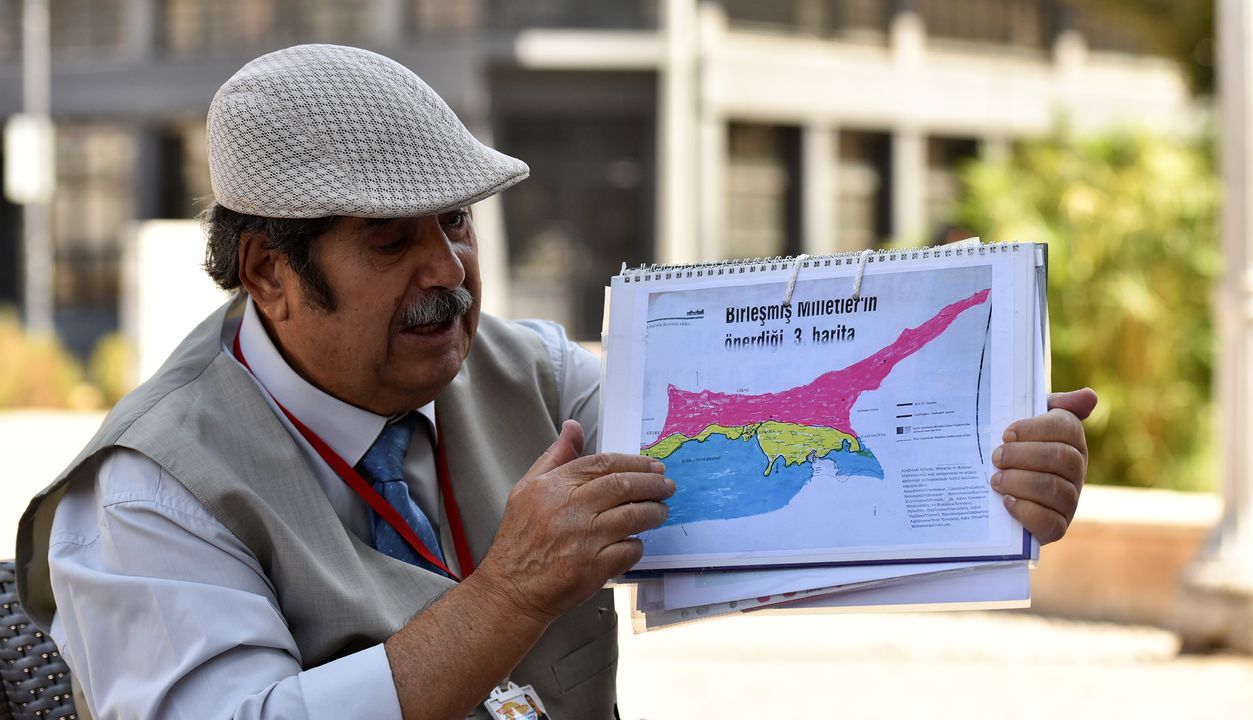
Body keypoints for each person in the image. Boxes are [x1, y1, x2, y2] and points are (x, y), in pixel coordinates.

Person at [14, 44, 1097, 719]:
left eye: (456, 223)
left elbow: (760, 485)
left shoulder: (531, 374)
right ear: (267, 273)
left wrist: (983, 465)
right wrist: (505, 595)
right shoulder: (151, 491)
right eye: (391, 242)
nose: (448, 272)